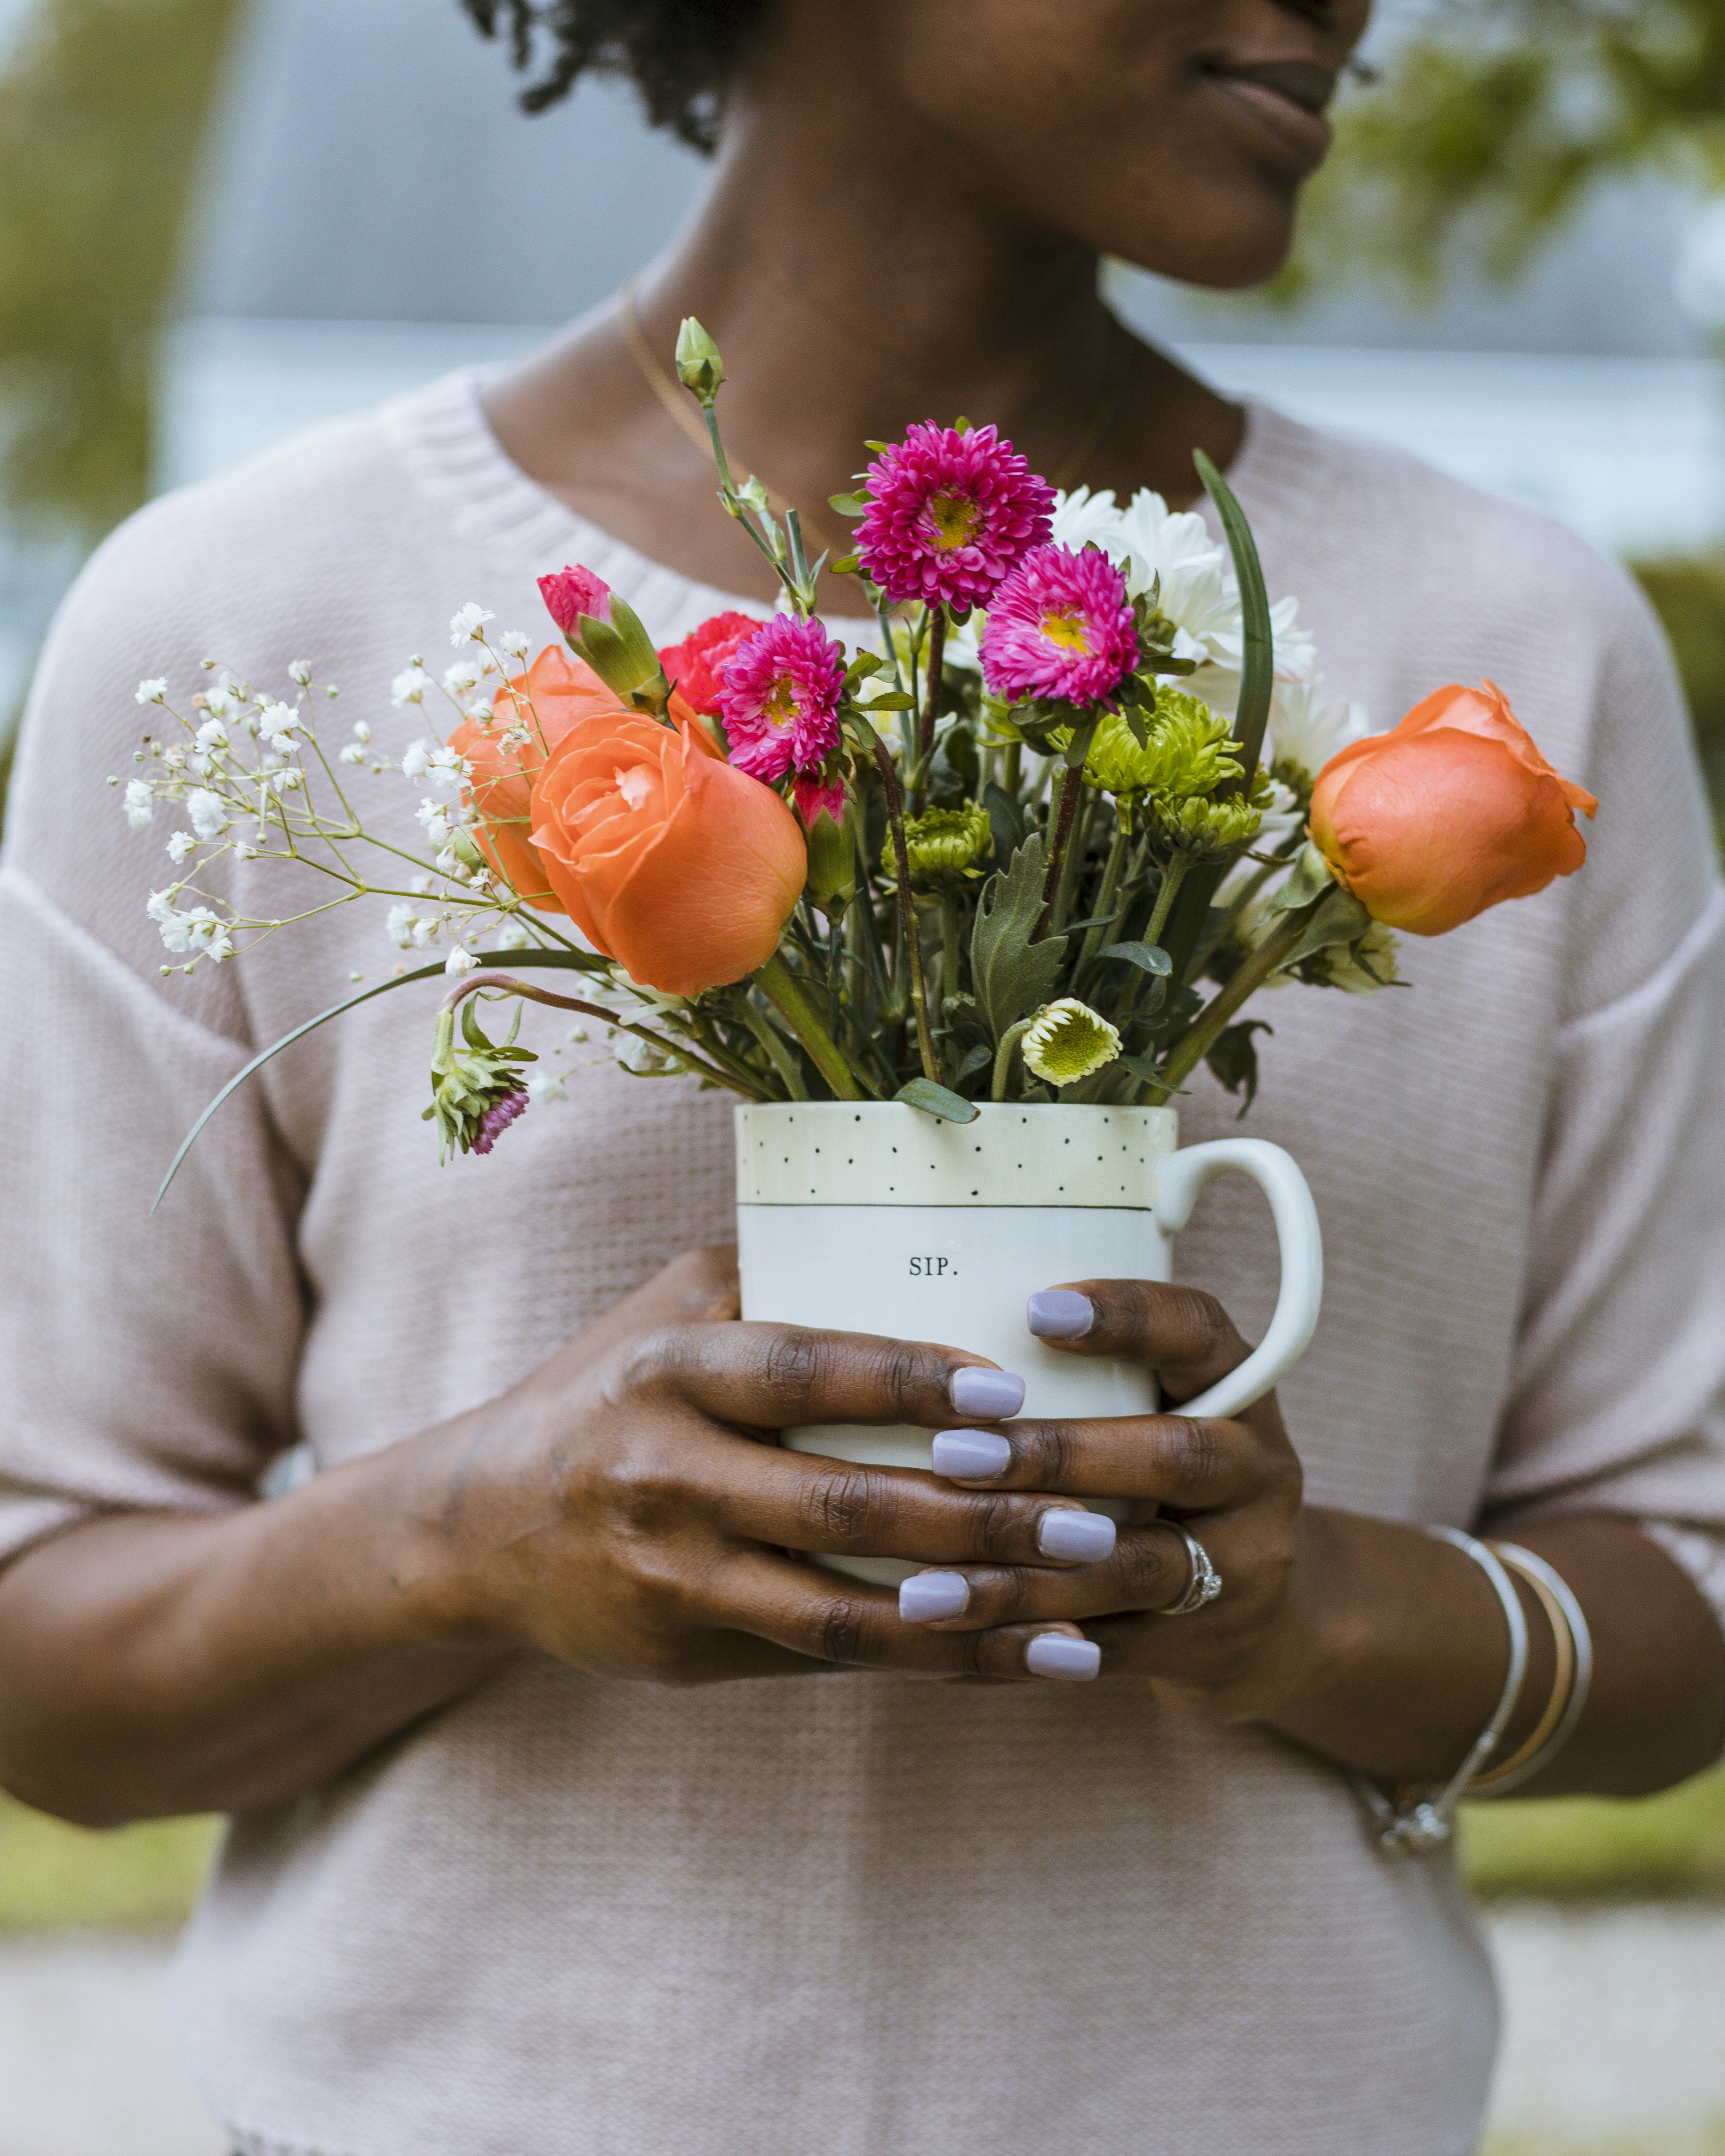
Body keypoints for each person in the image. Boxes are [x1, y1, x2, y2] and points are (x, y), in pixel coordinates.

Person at [1, 2, 1722, 2150]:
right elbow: (46, 1657)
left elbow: (1679, 1602)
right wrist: (469, 1531)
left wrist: (1302, 1611)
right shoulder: (243, 623)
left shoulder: (1512, 660)